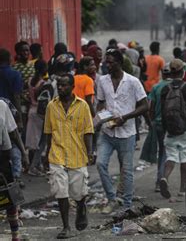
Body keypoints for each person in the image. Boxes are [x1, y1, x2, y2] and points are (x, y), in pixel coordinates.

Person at [96, 49, 148, 213]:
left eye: (110, 62)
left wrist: (125, 117)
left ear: (119, 63)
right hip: (108, 132)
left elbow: (145, 105)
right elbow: (100, 104)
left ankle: (127, 205)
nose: (107, 65)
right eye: (106, 62)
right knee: (100, 163)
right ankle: (112, 198)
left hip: (127, 133)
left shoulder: (133, 82)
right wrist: (104, 117)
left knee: (126, 170)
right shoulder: (102, 81)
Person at [43, 74, 94, 238]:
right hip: (56, 155)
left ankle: (81, 207)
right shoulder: (51, 106)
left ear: (72, 87)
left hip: (77, 155)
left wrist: (90, 152)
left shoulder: (83, 106)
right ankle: (66, 227)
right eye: (59, 85)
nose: (61, 88)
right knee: (61, 192)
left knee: (78, 193)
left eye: (64, 85)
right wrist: (46, 153)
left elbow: (88, 131)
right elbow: (48, 133)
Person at [158, 59, 186, 199]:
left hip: (170, 129)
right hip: (185, 129)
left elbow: (163, 112)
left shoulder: (165, 89)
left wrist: (165, 130)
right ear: (183, 71)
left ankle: (164, 177)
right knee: (185, 157)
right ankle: (182, 188)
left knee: (171, 157)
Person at [1, 99, 27, 241]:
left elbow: (13, 132)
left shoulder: (2, 105)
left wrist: (23, 153)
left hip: (2, 157)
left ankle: (15, 236)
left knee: (9, 197)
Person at [148, 63, 172, 192]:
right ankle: (162, 178)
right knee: (167, 152)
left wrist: (151, 122)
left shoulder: (156, 87)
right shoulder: (175, 87)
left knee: (162, 151)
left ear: (163, 73)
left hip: (158, 124)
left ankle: (159, 179)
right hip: (172, 125)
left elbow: (150, 108)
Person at [25, 60, 49, 176]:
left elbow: (27, 95)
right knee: (42, 141)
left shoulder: (30, 81)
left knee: (34, 141)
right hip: (40, 113)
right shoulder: (43, 84)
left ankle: (36, 166)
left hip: (31, 110)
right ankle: (34, 167)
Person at [0, 48, 23, 127]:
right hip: (9, 112)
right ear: (9, 59)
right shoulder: (15, 74)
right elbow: (16, 97)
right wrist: (19, 119)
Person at [13, 41, 33, 130]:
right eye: (23, 51)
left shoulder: (32, 65)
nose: (26, 53)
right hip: (21, 102)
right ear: (18, 52)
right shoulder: (15, 67)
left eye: (27, 50)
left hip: (33, 102)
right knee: (24, 126)